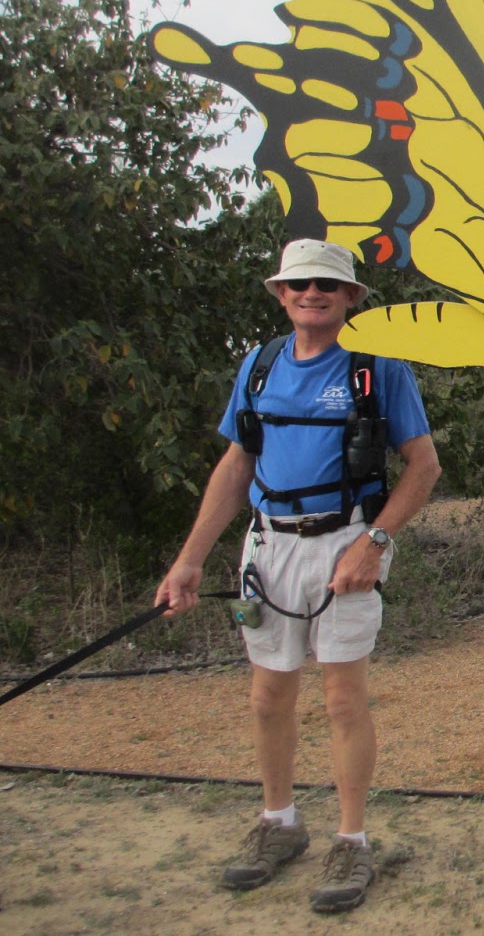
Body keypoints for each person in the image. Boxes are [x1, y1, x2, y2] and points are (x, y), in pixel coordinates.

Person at [155, 239, 441, 914]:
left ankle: (352, 840)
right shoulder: (257, 368)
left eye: (326, 285)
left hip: (345, 541)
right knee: (266, 696)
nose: (311, 294)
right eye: (298, 284)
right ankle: (278, 824)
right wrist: (190, 559)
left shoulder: (377, 369)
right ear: (280, 294)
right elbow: (236, 467)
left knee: (343, 698)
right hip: (269, 547)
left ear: (349, 298)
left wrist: (373, 544)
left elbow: (423, 466)